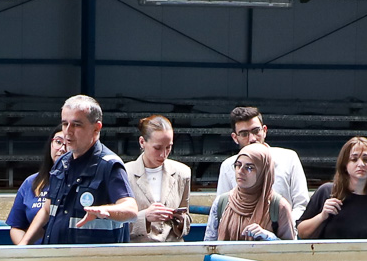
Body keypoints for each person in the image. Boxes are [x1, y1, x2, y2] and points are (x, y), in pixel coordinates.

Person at [17, 95, 139, 245]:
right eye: (64, 124)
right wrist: (24, 245)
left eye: (76, 125)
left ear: (96, 128)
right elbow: (47, 210)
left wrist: (106, 211)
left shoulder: (109, 165)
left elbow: (131, 209)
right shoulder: (61, 163)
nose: (68, 131)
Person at [212, 106, 309, 217]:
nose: (252, 138)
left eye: (256, 131)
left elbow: (301, 206)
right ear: (235, 138)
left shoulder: (289, 158)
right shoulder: (228, 166)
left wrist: (283, 227)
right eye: (244, 134)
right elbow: (223, 210)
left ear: (264, 131)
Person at [295, 137, 367, 240]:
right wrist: (322, 216)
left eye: (366, 159)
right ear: (345, 164)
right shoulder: (326, 192)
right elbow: (301, 233)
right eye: (354, 159)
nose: (361, 164)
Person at [204, 144, 296, 241]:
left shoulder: (279, 206)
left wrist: (269, 237)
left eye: (249, 168)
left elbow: (290, 250)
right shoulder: (222, 202)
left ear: (263, 172)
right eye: (238, 165)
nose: (240, 171)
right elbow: (208, 246)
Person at [125, 115, 191, 243]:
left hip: (172, 250)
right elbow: (116, 222)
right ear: (142, 142)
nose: (163, 154)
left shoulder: (183, 173)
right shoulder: (125, 173)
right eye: (157, 148)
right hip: (136, 250)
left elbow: (186, 219)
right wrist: (144, 217)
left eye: (168, 147)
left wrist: (181, 220)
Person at [6, 130, 68, 245]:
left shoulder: (78, 181)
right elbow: (16, 227)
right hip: (35, 256)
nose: (62, 149)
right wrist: (25, 248)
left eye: (68, 143)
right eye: (58, 142)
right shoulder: (31, 182)